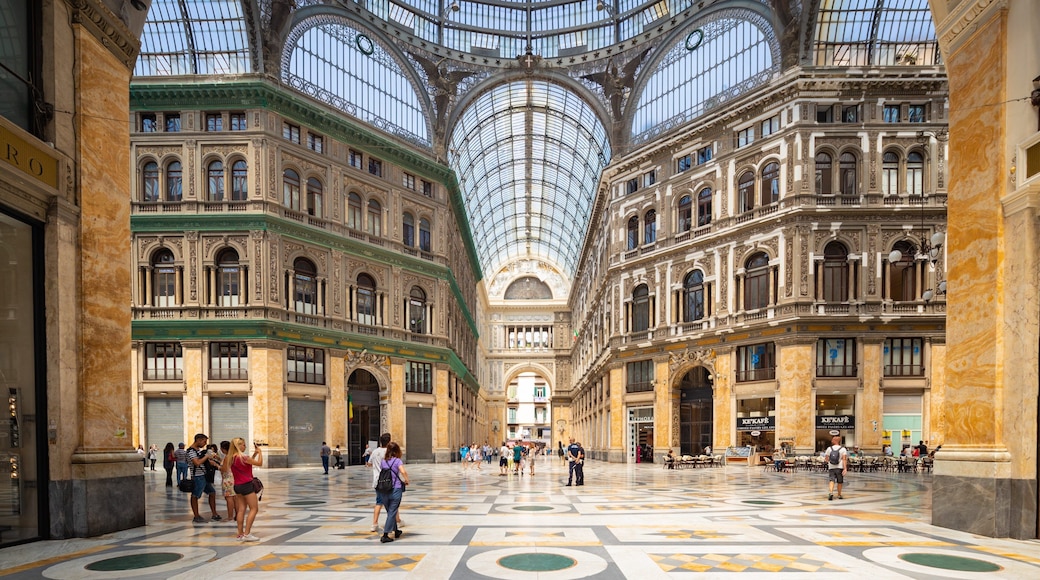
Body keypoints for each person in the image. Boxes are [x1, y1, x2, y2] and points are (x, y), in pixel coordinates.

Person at [221, 437, 262, 541]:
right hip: (247, 485)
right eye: (243, 444)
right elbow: (259, 463)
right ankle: (247, 534)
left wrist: (255, 454)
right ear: (238, 446)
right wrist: (260, 452)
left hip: (237, 486)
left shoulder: (231, 458)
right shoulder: (243, 457)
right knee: (254, 509)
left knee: (241, 509)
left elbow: (248, 463)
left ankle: (240, 533)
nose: (245, 446)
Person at [367, 433, 402, 532]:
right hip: (389, 480)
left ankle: (375, 524)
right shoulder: (389, 452)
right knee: (393, 501)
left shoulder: (375, 452)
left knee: (379, 502)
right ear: (389, 441)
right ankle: (396, 521)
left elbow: (369, 464)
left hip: (377, 480)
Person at [378, 441, 409, 543]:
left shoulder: (383, 461)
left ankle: (396, 531)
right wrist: (406, 480)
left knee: (391, 511)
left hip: (384, 489)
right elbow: (403, 471)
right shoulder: (397, 461)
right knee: (392, 511)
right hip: (395, 489)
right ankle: (385, 534)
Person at [187, 433, 221, 523]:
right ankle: (196, 516)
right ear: (198, 440)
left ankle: (214, 513)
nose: (205, 444)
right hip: (198, 477)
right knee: (195, 495)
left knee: (212, 492)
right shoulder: (191, 451)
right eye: (204, 441)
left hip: (204, 476)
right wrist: (206, 456)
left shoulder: (198, 450)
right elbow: (197, 463)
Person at [825, 435, 848, 501]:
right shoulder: (843, 449)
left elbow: (826, 459)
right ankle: (839, 494)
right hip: (839, 467)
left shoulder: (829, 449)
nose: (831, 441)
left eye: (832, 439)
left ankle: (831, 492)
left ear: (835, 441)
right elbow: (844, 459)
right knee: (840, 481)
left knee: (831, 480)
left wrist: (830, 461)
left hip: (831, 467)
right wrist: (845, 468)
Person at [219, 440, 237, 523]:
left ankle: (230, 517)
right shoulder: (234, 456)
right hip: (234, 478)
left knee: (229, 498)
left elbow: (225, 469)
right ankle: (237, 515)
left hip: (227, 479)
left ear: (223, 449)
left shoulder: (227, 457)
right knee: (234, 498)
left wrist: (217, 466)